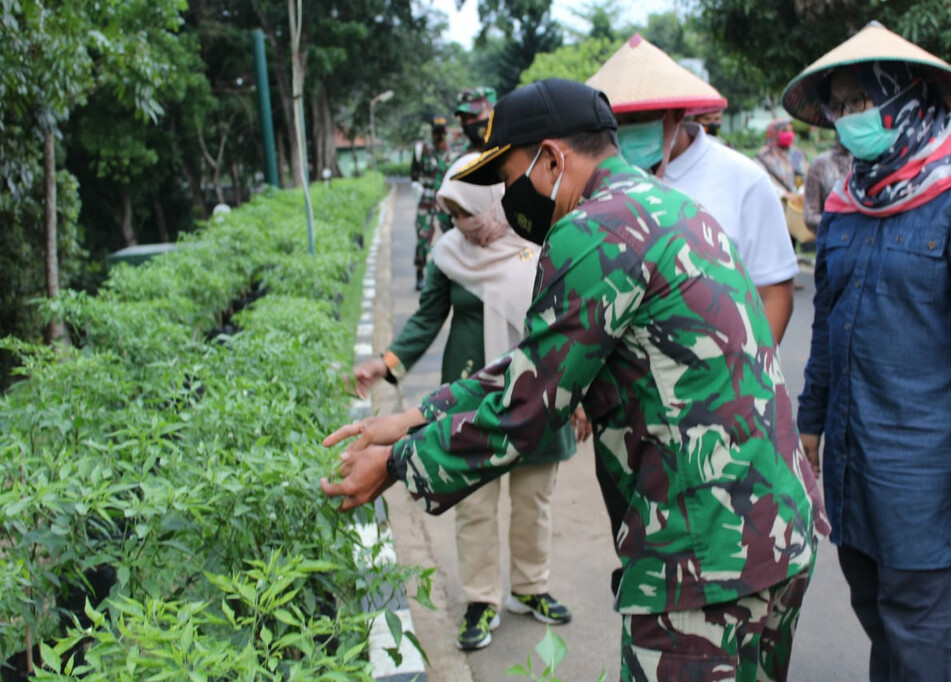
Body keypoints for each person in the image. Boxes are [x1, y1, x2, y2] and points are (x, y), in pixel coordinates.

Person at [320, 78, 829, 681]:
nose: (511, 199)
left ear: (553, 158)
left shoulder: (593, 231)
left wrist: (399, 462)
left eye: (511, 178)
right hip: (773, 530)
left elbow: (527, 410)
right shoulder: (667, 206)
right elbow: (538, 366)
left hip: (703, 553)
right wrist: (412, 417)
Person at [783, 21, 951, 680]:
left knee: (917, 624)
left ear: (909, 98)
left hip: (924, 460)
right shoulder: (846, 204)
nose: (852, 117)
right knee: (873, 602)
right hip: (853, 458)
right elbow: (828, 324)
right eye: (843, 105)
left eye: (864, 100)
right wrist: (810, 421)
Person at [354, 152, 578, 650]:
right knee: (474, 503)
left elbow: (571, 325)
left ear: (495, 199)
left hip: (537, 388)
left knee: (533, 499)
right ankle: (481, 599)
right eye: (452, 214)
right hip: (468, 394)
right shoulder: (448, 254)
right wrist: (385, 362)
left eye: (466, 211)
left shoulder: (540, 242)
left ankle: (531, 586)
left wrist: (579, 395)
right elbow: (427, 318)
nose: (459, 225)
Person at [586, 34, 798, 343]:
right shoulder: (600, 181)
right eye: (619, 120)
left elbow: (775, 292)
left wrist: (753, 374)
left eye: (641, 117)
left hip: (719, 378)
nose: (627, 131)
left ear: (676, 113)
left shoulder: (743, 181)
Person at [409, 117, 453, 291]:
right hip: (426, 200)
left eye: (442, 131)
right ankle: (420, 273)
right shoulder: (422, 150)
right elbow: (413, 173)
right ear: (433, 132)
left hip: (445, 200)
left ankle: (448, 276)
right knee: (422, 237)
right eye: (437, 131)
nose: (440, 135)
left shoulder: (451, 152)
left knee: (450, 236)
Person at [802, 137, 852, 234]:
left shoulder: (872, 162)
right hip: (833, 241)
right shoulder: (820, 164)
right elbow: (810, 216)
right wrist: (841, 223)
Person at [756, 118, 803, 202]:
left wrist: (800, 193)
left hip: (793, 207)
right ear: (774, 134)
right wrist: (783, 194)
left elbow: (803, 177)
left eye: (791, 131)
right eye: (784, 131)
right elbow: (760, 183)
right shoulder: (763, 156)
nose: (789, 134)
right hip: (773, 204)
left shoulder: (795, 154)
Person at [453, 86, 497, 154]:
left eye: (473, 115)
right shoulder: (459, 157)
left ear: (492, 111)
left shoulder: (512, 147)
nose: (468, 122)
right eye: (464, 118)